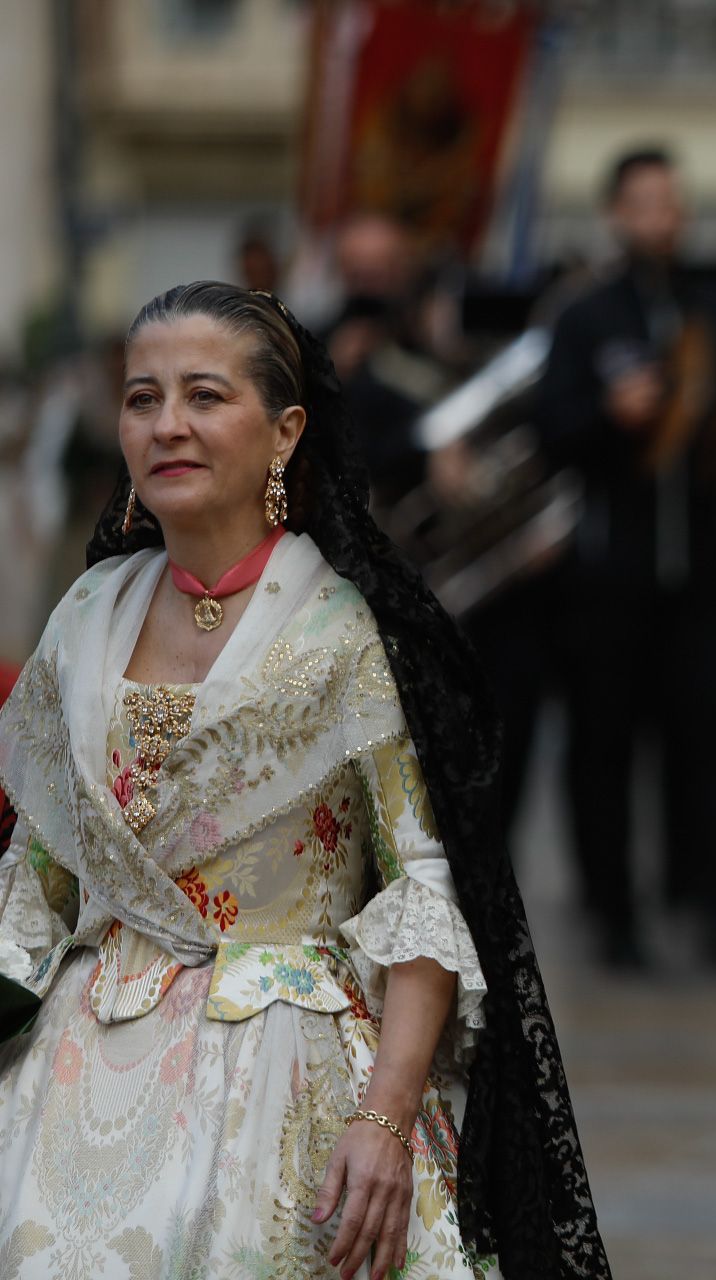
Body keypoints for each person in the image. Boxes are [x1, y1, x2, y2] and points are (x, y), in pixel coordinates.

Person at [0, 282, 608, 1277]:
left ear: (285, 430)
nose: (168, 425)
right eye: (141, 398)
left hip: (284, 1076)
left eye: (204, 395)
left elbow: (426, 886)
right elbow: (39, 879)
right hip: (75, 1071)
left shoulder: (346, 634)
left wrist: (386, 1114)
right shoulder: (83, 615)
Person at [490, 146, 716, 968]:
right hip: (608, 581)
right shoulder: (586, 315)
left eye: (672, 202)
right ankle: (613, 917)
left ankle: (712, 912)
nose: (661, 217)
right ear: (618, 212)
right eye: (644, 202)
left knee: (712, 745)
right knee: (604, 750)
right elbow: (548, 428)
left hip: (709, 574)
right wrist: (609, 413)